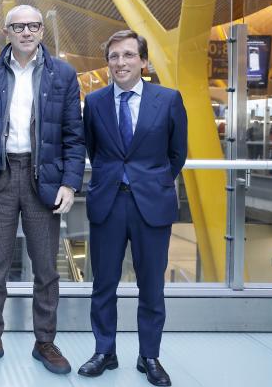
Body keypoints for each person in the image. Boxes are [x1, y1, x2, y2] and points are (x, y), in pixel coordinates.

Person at [0, 5, 85, 375]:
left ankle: (45, 342)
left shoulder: (62, 74)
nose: (26, 32)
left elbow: (73, 136)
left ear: (42, 31)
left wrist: (69, 182)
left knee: (46, 267)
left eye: (33, 25)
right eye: (19, 26)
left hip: (42, 175)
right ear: (7, 32)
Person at [78, 30, 187, 386]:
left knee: (152, 286)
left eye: (128, 55)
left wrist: (149, 181)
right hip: (109, 202)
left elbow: (176, 154)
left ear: (143, 61)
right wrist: (118, 178)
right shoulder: (94, 103)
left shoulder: (168, 99)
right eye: (113, 57)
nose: (120, 63)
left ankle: (149, 356)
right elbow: (94, 150)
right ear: (107, 63)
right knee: (103, 284)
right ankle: (104, 351)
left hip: (151, 205)